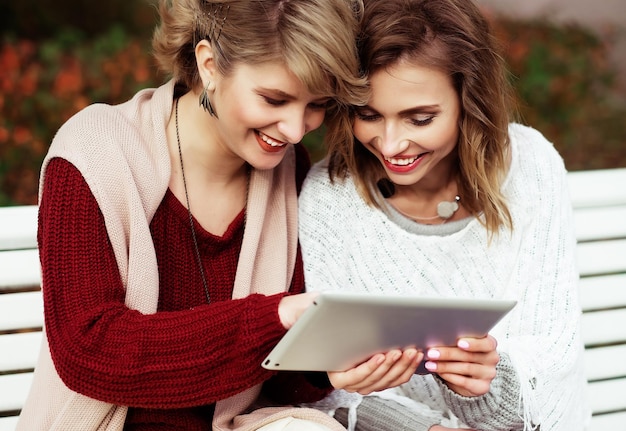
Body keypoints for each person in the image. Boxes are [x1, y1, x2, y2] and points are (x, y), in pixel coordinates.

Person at [13, 1, 419, 430]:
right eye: (274, 99)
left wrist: (323, 369)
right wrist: (274, 319)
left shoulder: (288, 169)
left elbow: (274, 382)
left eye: (316, 105)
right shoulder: (93, 152)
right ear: (209, 65)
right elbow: (89, 352)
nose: (296, 130)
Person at [298, 0, 590, 430]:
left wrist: (483, 387)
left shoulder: (531, 166)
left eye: (419, 119)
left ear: (468, 100)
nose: (391, 144)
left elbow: (551, 354)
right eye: (368, 115)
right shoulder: (331, 197)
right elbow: (328, 383)